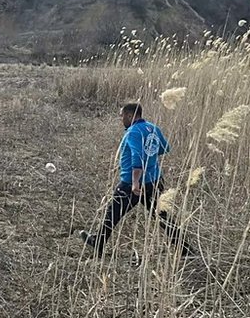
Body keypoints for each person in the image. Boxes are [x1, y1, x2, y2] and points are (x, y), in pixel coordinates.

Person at [80, 102, 191, 258]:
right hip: (154, 180)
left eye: (122, 115)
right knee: (162, 215)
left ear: (130, 115)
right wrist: (150, 155)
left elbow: (137, 157)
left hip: (133, 184)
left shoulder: (132, 132)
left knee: (113, 213)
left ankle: (97, 242)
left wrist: (135, 182)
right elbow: (165, 148)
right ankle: (185, 249)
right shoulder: (152, 128)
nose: (121, 119)